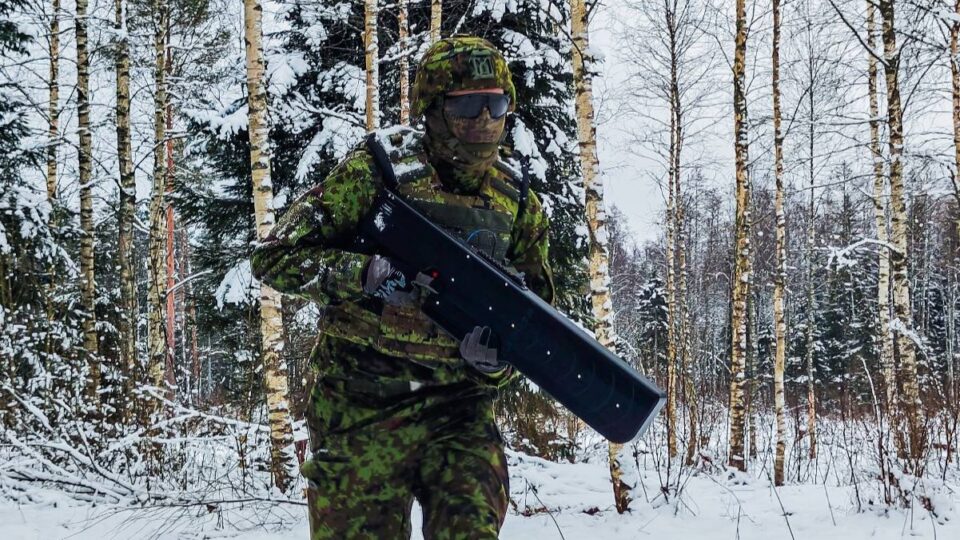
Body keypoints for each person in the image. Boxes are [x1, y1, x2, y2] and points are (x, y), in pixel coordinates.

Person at [251, 35, 554, 540]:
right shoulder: (376, 171)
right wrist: (360, 275)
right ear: (432, 109)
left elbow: (536, 318)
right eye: (466, 106)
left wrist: (498, 362)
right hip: (360, 402)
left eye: (496, 104)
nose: (483, 120)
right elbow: (274, 257)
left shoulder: (516, 198)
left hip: (458, 407)